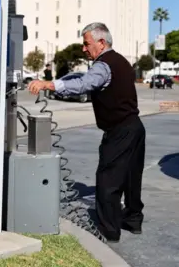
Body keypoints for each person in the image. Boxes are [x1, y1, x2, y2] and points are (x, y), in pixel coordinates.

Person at [28, 22, 146, 243]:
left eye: (86, 44)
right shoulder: (120, 61)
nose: (83, 48)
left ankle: (108, 230)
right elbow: (81, 79)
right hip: (135, 126)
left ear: (101, 43)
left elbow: (86, 84)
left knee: (108, 179)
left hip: (119, 130)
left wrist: (48, 85)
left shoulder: (103, 64)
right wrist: (60, 82)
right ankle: (133, 219)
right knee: (131, 177)